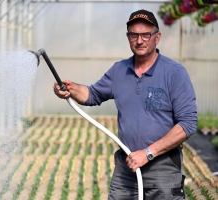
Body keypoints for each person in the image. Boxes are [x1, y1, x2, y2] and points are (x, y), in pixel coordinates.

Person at [53, 9, 197, 200]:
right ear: (128, 37)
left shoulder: (174, 73)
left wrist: (148, 153)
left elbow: (187, 124)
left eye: (146, 34)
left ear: (157, 37)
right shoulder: (119, 71)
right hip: (126, 167)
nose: (140, 40)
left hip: (163, 168)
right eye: (134, 35)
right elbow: (93, 94)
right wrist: (70, 88)